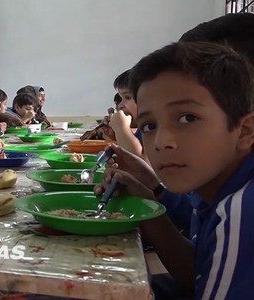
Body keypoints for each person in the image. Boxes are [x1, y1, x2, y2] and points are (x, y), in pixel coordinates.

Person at [97, 42, 254, 299]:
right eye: (149, 125)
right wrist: (148, 196)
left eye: (187, 118)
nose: (161, 142)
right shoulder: (213, 185)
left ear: (244, 130)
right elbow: (199, 274)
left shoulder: (241, 211)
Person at [109, 70, 143, 157]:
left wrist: (121, 129)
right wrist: (115, 134)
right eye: (121, 98)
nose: (120, 105)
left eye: (127, 97)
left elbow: (141, 163)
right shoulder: (141, 129)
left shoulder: (156, 129)